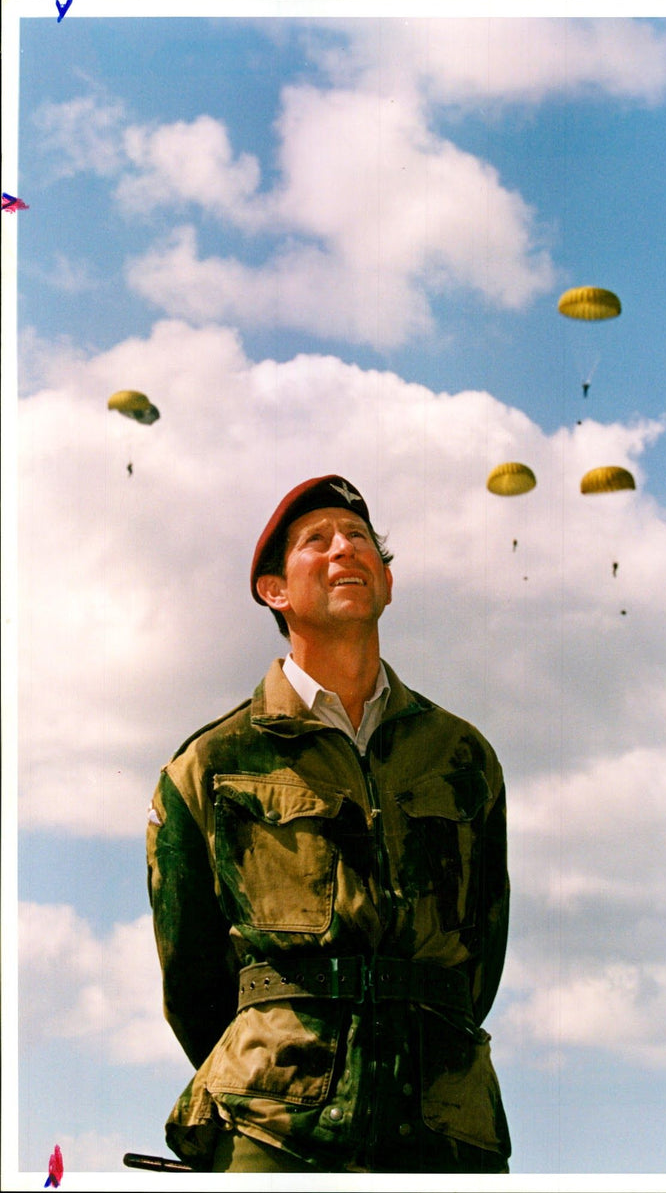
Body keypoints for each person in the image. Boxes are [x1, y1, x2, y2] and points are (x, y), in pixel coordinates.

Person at [146, 474, 511, 1173]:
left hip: (443, 1131)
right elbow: (191, 981)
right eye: (317, 540)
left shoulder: (464, 756)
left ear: (388, 582)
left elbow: (481, 955)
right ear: (274, 591)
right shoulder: (211, 764)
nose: (345, 549)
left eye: (361, 540)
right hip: (271, 1132)